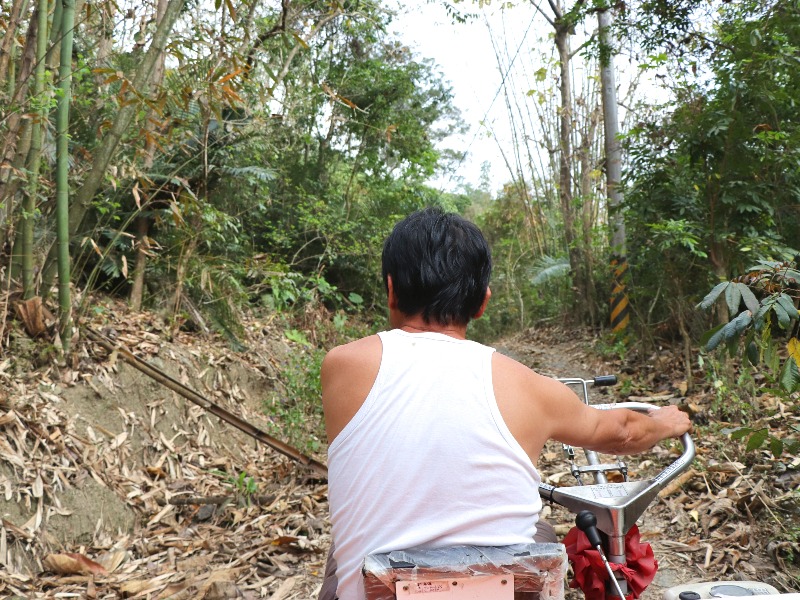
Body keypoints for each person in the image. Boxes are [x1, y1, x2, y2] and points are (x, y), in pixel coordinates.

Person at [318, 207, 691, 600]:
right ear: (482, 302)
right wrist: (666, 422)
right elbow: (621, 432)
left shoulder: (342, 366)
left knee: (339, 562)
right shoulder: (530, 387)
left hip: (378, 585)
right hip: (509, 584)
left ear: (391, 289)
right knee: (541, 533)